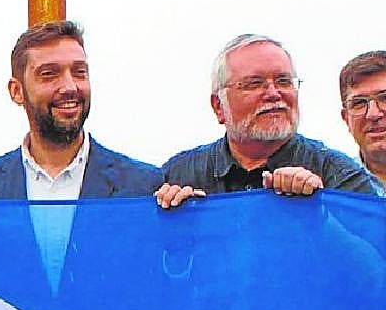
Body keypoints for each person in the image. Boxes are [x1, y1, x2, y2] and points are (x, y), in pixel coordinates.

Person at [157, 34, 379, 207]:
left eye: (284, 81)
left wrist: (321, 211)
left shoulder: (339, 176)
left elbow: (372, 250)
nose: (273, 93)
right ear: (218, 106)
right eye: (254, 84)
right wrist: (176, 221)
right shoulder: (179, 175)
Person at [338, 51, 386, 188]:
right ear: (346, 118)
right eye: (359, 103)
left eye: (385, 98)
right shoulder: (331, 186)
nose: (373, 114)